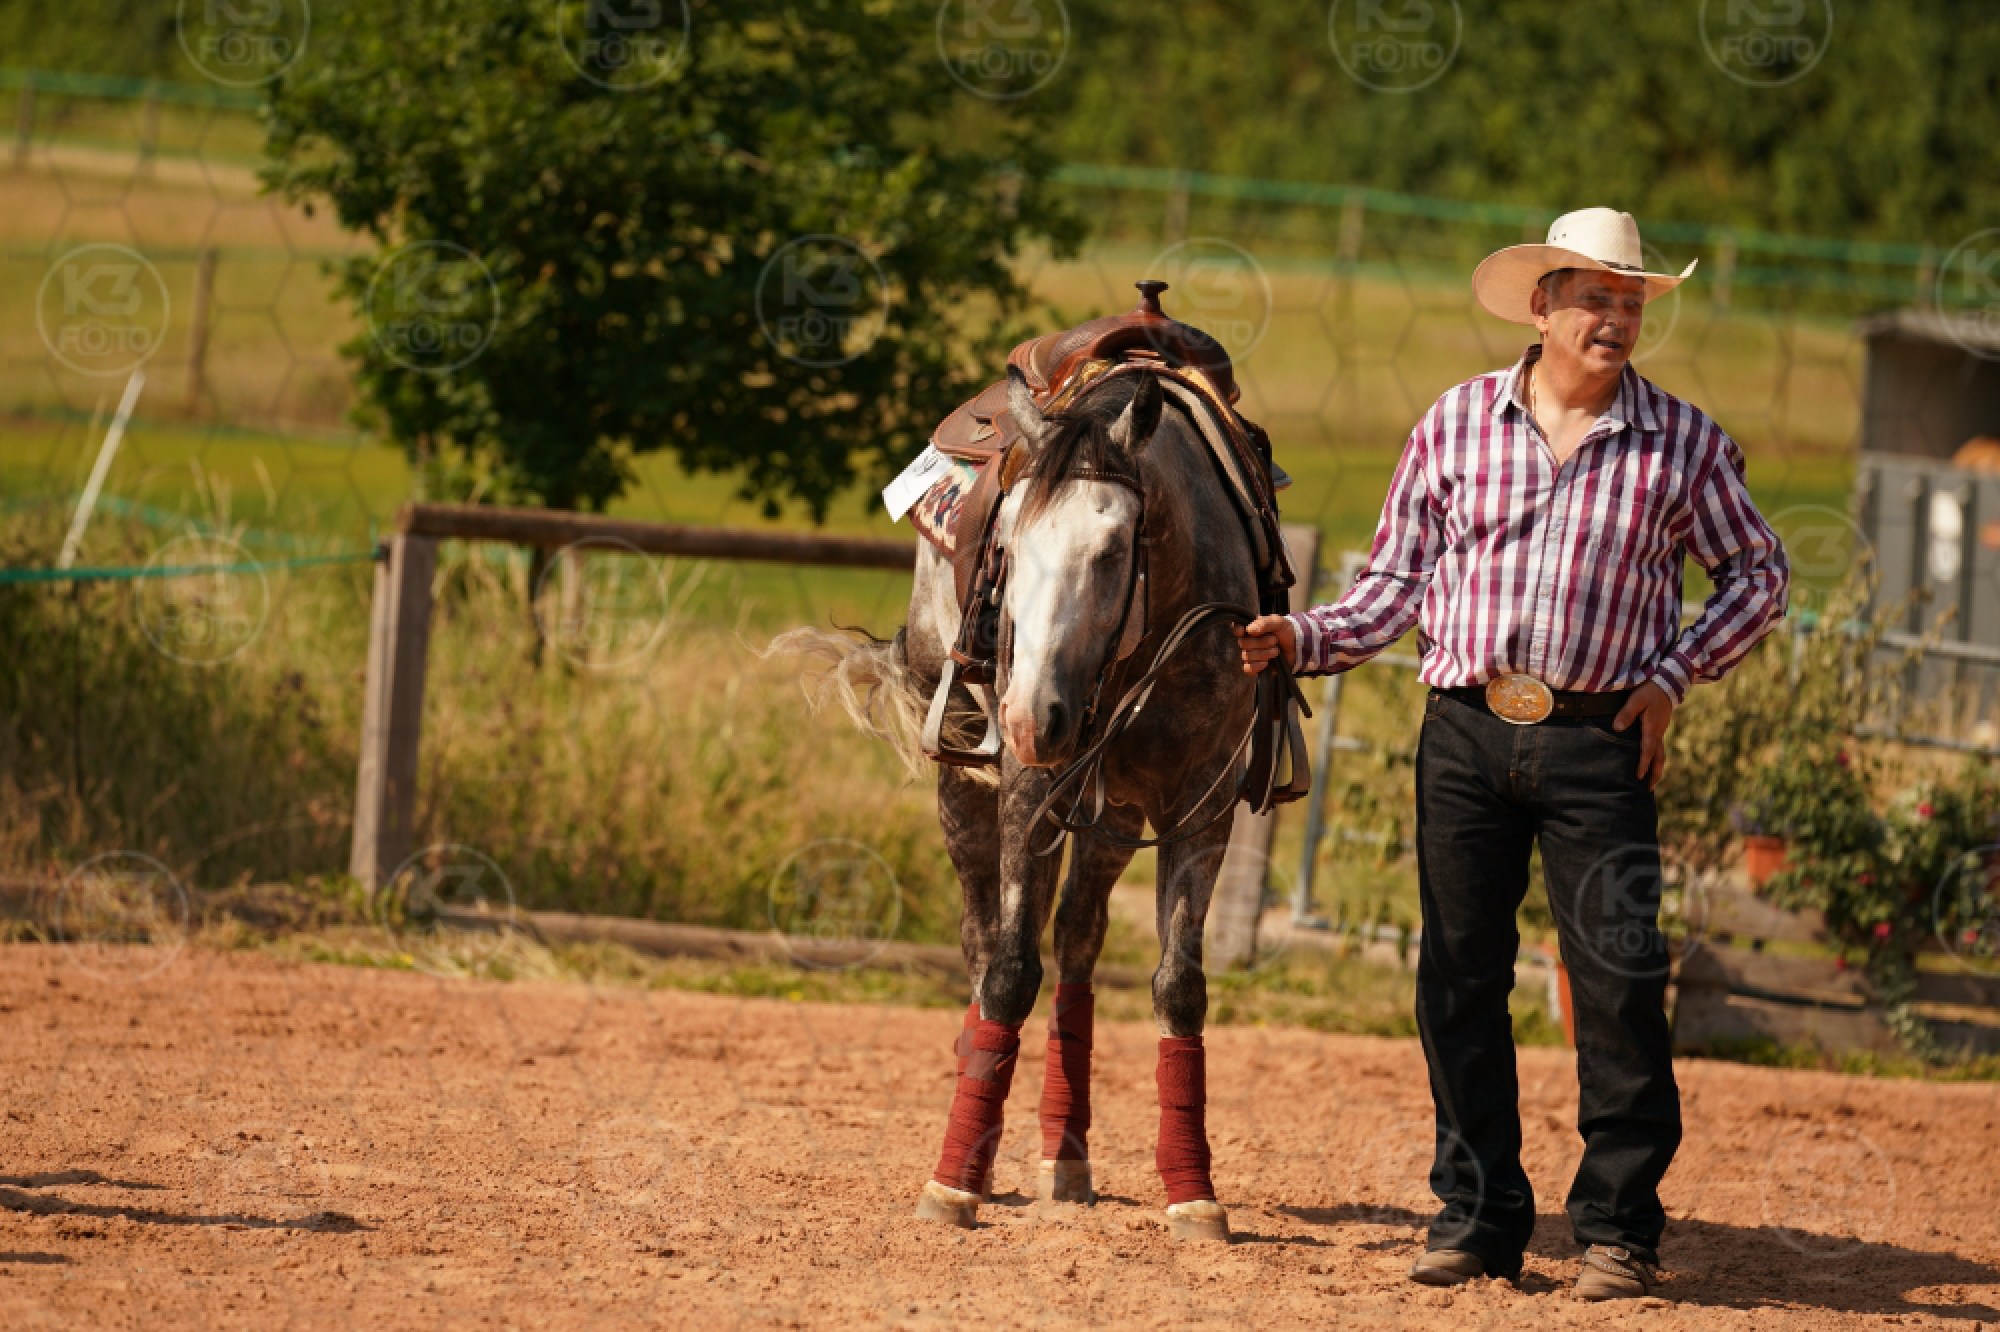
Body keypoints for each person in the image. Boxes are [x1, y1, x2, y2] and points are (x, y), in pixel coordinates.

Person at [1235, 207, 1789, 1301]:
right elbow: (1393, 586)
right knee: (1457, 979)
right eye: (1592, 298)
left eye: (1629, 301)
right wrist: (1301, 638)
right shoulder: (1453, 424)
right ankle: (1477, 1217)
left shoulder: (1683, 443)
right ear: (1540, 306)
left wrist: (1673, 676)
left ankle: (1617, 1230)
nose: (1614, 318)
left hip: (1600, 741)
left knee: (1619, 982)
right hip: (1463, 732)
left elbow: (1760, 574)